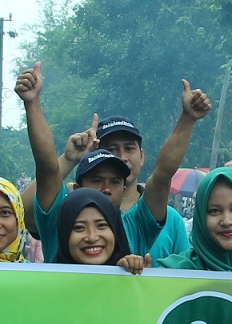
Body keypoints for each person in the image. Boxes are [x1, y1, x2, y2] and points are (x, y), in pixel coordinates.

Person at [17, 66, 201, 264]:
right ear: (77, 188)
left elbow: (163, 175)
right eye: (96, 180)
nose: (105, 188)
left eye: (114, 181)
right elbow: (47, 170)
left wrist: (187, 119)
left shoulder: (137, 225)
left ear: (123, 188)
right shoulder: (59, 218)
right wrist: (32, 103)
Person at [54, 188, 149, 273]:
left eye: (101, 225)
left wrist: (141, 279)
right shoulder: (49, 282)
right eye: (79, 228)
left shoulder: (130, 275)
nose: (92, 238)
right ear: (64, 235)